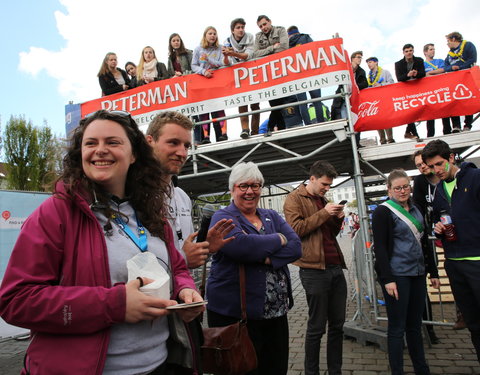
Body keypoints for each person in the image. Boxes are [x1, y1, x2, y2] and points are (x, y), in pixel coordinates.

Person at [0, 110, 204, 374]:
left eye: (112, 142)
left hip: (162, 364)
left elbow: (178, 268)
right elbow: (16, 301)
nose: (100, 150)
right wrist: (113, 305)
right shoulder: (55, 213)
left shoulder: (154, 213)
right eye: (91, 143)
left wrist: (184, 291)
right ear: (80, 153)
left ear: (133, 155)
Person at [206, 162, 302, 375]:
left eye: (255, 185)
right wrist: (279, 238)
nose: (250, 191)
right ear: (232, 189)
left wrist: (268, 259)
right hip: (236, 315)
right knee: (241, 369)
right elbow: (242, 247)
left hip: (275, 312)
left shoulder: (272, 216)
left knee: (275, 368)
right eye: (243, 186)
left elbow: (296, 247)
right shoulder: (223, 217)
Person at [145, 111, 234, 269]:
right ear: (149, 142)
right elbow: (129, 264)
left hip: (185, 292)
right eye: (173, 143)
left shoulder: (182, 197)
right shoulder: (130, 195)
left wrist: (204, 250)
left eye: (186, 146)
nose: (182, 153)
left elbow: (188, 263)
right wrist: (183, 258)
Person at [372, 169, 440, 375]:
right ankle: (397, 371)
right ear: (389, 189)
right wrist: (387, 279)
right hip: (397, 275)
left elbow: (425, 243)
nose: (402, 191)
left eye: (405, 187)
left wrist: (433, 272)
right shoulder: (383, 211)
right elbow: (381, 248)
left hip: (417, 273)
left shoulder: (417, 208)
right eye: (398, 188)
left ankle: (422, 369)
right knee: (397, 327)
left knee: (414, 325)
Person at [284, 160, 348, 375]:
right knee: (316, 327)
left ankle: (335, 371)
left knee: (338, 325)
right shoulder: (294, 199)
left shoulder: (323, 200)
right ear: (312, 179)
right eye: (324, 184)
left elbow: (329, 234)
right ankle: (312, 372)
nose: (327, 189)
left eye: (329, 185)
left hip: (335, 267)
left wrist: (337, 219)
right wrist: (324, 213)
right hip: (313, 270)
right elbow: (295, 230)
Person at [422, 139, 480, 363]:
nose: (437, 170)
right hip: (454, 262)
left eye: (439, 164)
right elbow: (437, 220)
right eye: (432, 167)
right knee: (473, 323)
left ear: (451, 158)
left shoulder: (474, 178)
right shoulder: (438, 191)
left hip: (477, 260)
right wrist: (437, 229)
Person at [254, 15, 303, 131]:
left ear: (270, 22)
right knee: (275, 104)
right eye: (260, 26)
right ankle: (277, 128)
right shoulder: (258, 36)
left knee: (287, 101)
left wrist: (266, 53)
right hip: (269, 76)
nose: (263, 27)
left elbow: (284, 48)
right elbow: (256, 54)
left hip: (284, 72)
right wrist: (272, 48)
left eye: (265, 24)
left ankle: (275, 127)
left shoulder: (280, 30)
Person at [412, 150, 440, 344]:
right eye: (418, 165)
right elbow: (419, 209)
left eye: (423, 163)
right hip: (430, 234)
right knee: (421, 296)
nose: (422, 167)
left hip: (452, 234)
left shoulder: (444, 179)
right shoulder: (420, 182)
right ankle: (427, 330)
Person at [222, 18, 260, 139]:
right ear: (232, 30)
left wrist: (233, 53)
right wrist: (227, 56)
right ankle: (245, 129)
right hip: (237, 76)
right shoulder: (227, 41)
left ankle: (255, 131)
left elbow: (247, 55)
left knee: (255, 103)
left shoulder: (249, 37)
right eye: (238, 28)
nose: (241, 30)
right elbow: (226, 62)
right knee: (242, 102)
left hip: (251, 74)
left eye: (242, 27)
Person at [192, 26, 228, 143]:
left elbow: (221, 63)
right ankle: (206, 136)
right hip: (203, 82)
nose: (212, 36)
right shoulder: (198, 49)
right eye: (210, 33)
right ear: (205, 35)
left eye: (214, 33)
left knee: (218, 108)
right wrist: (203, 71)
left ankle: (223, 134)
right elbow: (193, 66)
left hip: (216, 81)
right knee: (205, 109)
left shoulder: (220, 48)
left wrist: (209, 60)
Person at [287, 26, 325, 125]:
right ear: (297, 31)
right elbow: (315, 50)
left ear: (288, 34)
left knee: (302, 103)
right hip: (311, 72)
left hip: (296, 76)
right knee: (317, 100)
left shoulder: (286, 44)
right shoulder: (306, 38)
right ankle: (321, 122)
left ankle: (308, 124)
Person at [331, 50, 368, 145]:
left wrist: (354, 87)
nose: (360, 59)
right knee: (345, 121)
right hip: (342, 100)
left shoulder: (361, 71)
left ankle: (356, 142)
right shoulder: (345, 69)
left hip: (354, 100)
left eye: (361, 57)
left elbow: (364, 84)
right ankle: (348, 143)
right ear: (352, 58)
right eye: (358, 57)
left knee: (356, 121)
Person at [444, 32, 478, 132]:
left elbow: (472, 59)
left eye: (448, 41)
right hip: (454, 81)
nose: (447, 44)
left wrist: (460, 68)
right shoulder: (450, 54)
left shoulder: (468, 46)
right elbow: (446, 66)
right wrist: (451, 68)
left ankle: (467, 125)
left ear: (454, 39)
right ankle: (456, 126)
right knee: (454, 102)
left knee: (468, 100)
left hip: (467, 78)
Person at [395, 44, 426, 141]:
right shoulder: (398, 64)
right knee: (410, 112)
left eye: (410, 50)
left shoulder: (419, 60)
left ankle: (408, 132)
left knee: (417, 110)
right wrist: (408, 75)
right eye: (407, 51)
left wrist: (416, 74)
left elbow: (423, 73)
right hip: (406, 91)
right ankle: (413, 133)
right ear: (403, 52)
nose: (409, 53)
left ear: (413, 51)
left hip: (418, 89)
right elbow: (399, 78)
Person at [422, 44, 451, 137]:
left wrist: (430, 73)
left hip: (441, 90)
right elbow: (423, 75)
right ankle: (430, 136)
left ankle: (447, 132)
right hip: (429, 92)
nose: (433, 51)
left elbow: (443, 70)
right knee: (430, 114)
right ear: (425, 52)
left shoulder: (440, 61)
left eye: (433, 49)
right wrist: (435, 74)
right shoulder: (422, 64)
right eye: (430, 49)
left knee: (444, 111)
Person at [366, 56, 395, 144]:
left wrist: (381, 85)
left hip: (384, 98)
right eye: (367, 63)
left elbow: (392, 82)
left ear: (376, 62)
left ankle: (390, 139)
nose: (369, 64)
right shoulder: (369, 76)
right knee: (377, 120)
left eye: (370, 62)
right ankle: (382, 139)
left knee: (386, 119)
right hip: (375, 100)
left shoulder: (385, 72)